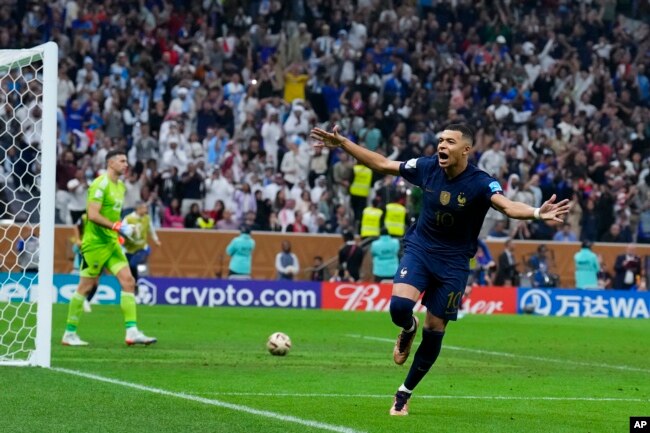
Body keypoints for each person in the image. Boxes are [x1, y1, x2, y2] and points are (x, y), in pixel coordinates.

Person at [310, 123, 570, 416]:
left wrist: (537, 212)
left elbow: (508, 207)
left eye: (449, 141)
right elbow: (381, 163)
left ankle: (403, 394)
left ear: (466, 149)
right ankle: (409, 328)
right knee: (398, 308)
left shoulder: (481, 182)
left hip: (454, 263)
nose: (442, 146)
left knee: (436, 328)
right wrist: (343, 142)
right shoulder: (426, 167)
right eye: (441, 140)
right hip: (420, 248)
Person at [62, 150, 157, 346]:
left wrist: (124, 228)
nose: (126, 164)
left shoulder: (121, 187)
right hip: (94, 244)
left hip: (112, 242)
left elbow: (113, 216)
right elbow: (93, 214)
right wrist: (117, 226)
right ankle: (69, 333)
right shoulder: (100, 183)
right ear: (111, 163)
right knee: (86, 286)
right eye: (122, 161)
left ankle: (132, 332)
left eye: (126, 161)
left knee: (128, 281)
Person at [122, 201, 162, 287]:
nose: (146, 210)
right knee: (129, 267)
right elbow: (121, 230)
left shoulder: (147, 218)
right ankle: (131, 283)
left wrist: (156, 240)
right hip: (129, 248)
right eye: (144, 208)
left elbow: (151, 230)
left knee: (133, 264)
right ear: (138, 208)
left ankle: (137, 281)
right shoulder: (128, 219)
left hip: (142, 247)